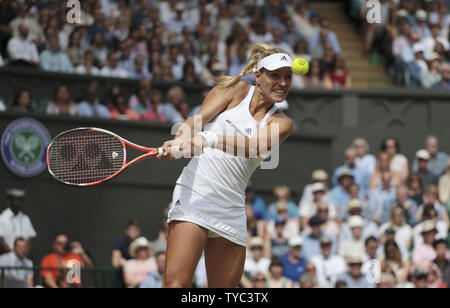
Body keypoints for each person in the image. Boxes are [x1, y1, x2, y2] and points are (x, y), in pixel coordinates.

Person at [159, 44, 294, 288]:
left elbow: (254, 147)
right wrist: (181, 140)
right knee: (176, 285)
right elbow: (195, 121)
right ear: (258, 75)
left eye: (287, 76)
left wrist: (207, 139)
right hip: (195, 195)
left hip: (231, 210)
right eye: (275, 75)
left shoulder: (282, 122)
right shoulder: (235, 89)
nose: (283, 83)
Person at [0, 189, 36, 254]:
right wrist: (12, 254)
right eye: (16, 200)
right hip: (6, 256)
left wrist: (23, 252)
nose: (18, 202)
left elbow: (30, 237)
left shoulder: (25, 218)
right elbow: (1, 239)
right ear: (9, 201)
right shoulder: (2, 218)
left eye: (20, 200)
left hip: (23, 257)